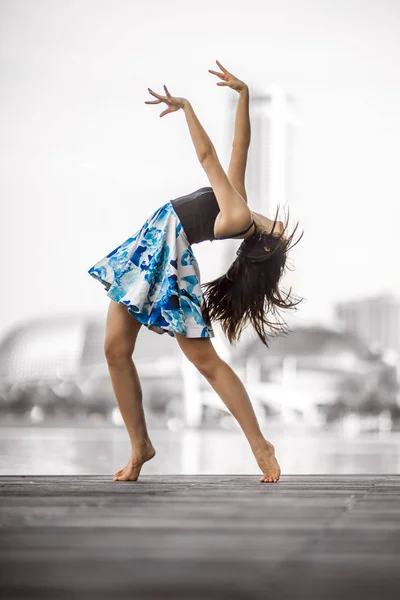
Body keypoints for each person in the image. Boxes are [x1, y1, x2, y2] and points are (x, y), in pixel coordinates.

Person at [87, 60, 304, 484]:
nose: (281, 227)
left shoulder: (238, 213)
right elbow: (240, 147)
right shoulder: (238, 202)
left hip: (167, 258)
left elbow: (208, 158)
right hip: (148, 248)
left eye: (277, 234)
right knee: (115, 350)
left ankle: (261, 445)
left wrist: (187, 108)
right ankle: (140, 448)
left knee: (206, 363)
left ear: (262, 243)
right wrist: (244, 96)